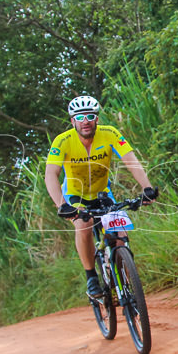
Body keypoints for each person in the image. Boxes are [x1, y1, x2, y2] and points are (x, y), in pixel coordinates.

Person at [45, 95, 158, 298]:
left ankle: (125, 282)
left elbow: (130, 160)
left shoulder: (110, 133)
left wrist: (147, 188)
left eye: (90, 116)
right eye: (80, 117)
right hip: (75, 196)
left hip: (102, 193)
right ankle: (91, 277)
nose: (85, 121)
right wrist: (61, 204)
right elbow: (50, 174)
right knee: (84, 225)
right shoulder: (62, 141)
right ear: (73, 121)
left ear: (97, 118)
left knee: (121, 236)